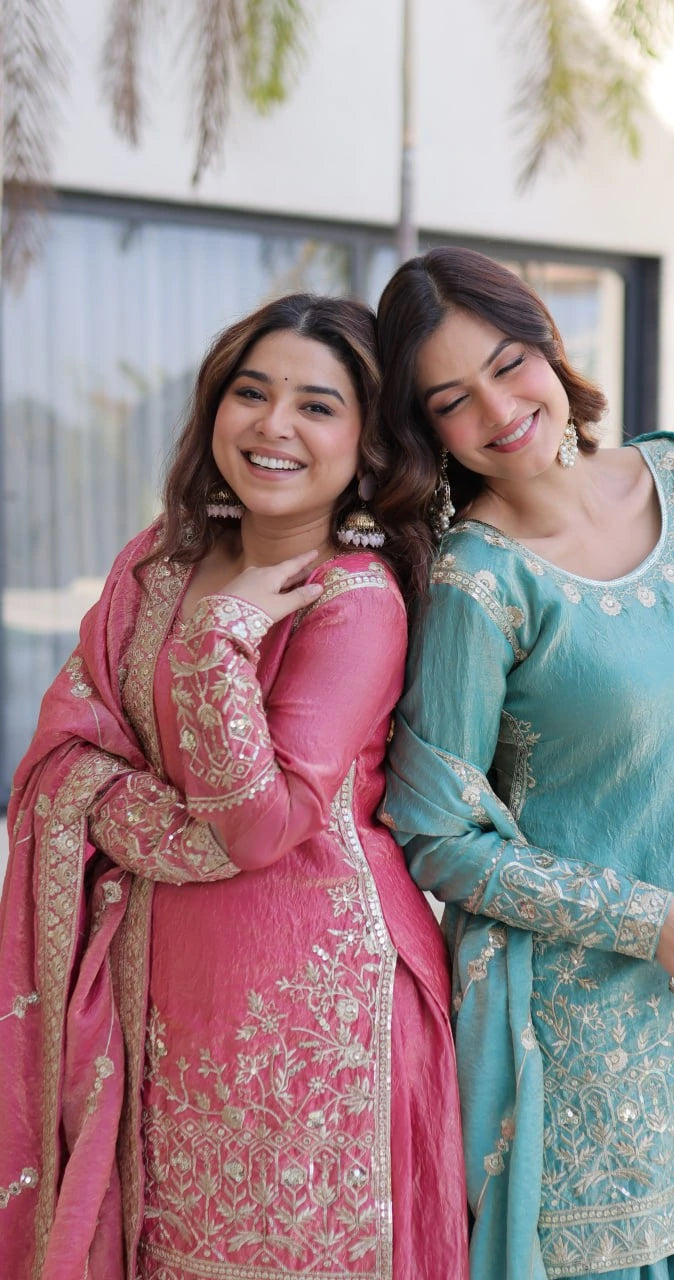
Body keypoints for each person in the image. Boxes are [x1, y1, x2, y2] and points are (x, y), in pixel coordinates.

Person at [373, 246, 674, 1280]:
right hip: (575, 1034)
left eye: (509, 362)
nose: (500, 408)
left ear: (549, 339)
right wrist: (652, 922)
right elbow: (434, 832)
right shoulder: (477, 583)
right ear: (427, 430)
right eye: (452, 398)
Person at [0, 294, 469, 1278]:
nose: (273, 425)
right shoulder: (158, 563)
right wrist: (143, 809)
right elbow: (65, 745)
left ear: (367, 441)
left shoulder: (356, 601)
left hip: (313, 1006)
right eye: (251, 393)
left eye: (316, 405)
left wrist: (220, 638)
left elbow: (258, 825)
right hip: (161, 994)